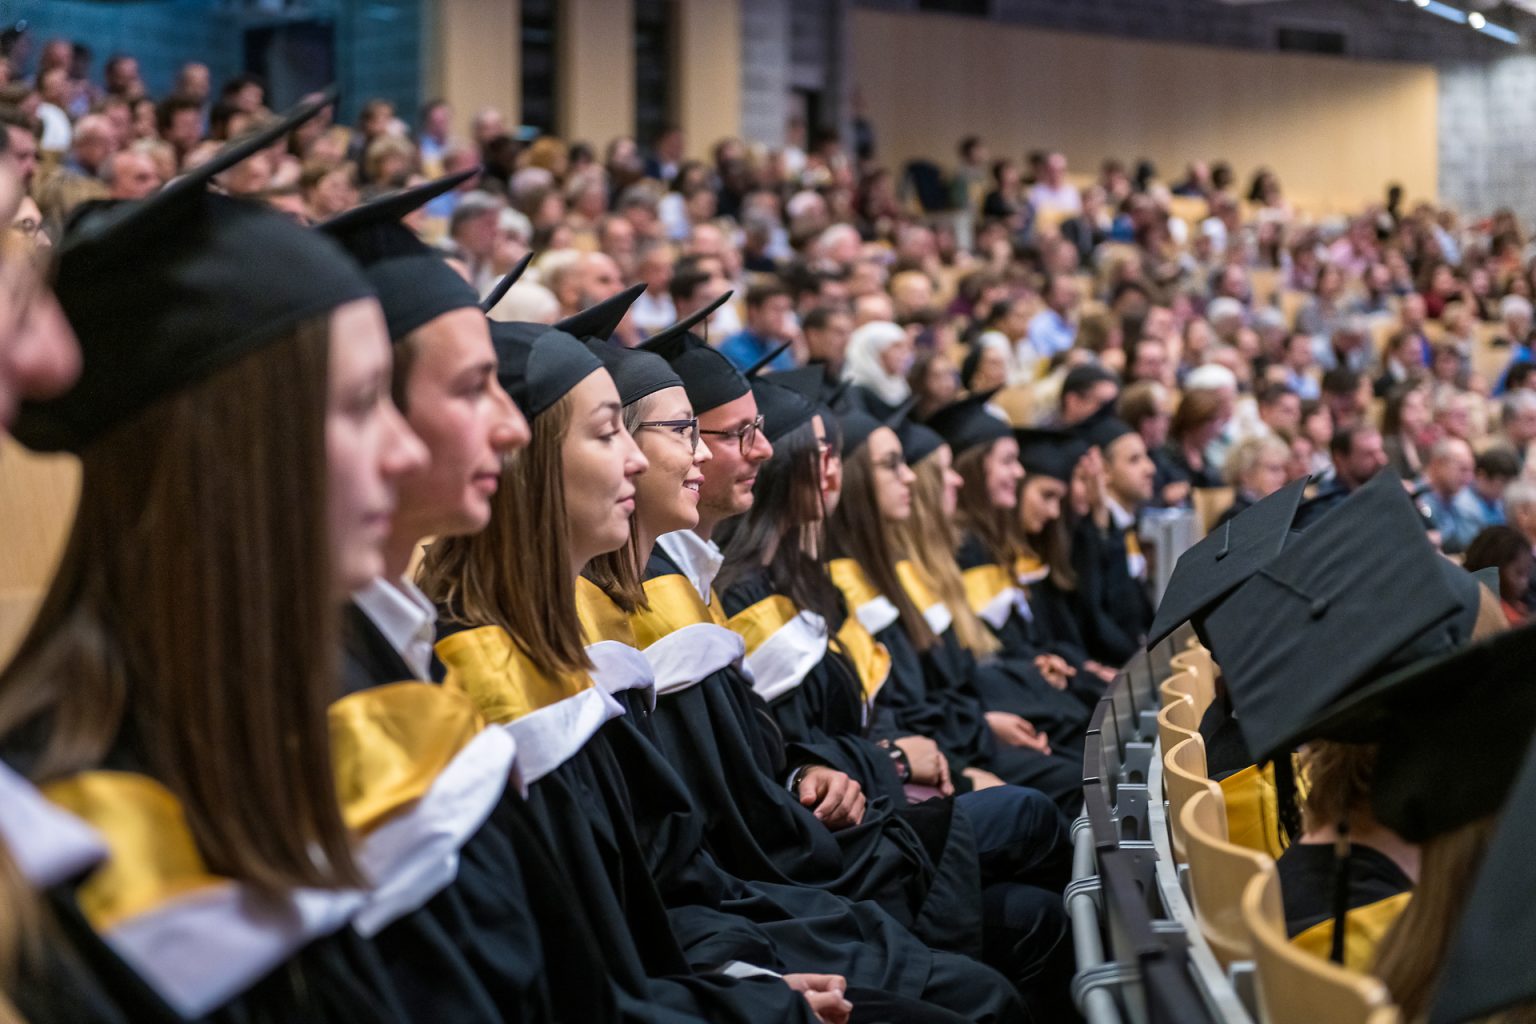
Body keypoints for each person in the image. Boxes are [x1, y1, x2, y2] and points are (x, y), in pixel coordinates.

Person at [0, 99, 427, 1021]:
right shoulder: (86, 844)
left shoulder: (255, 731)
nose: (408, 452)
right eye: (359, 406)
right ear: (230, 455)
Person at [719, 282, 796, 372]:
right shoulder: (733, 347)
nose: (782, 316)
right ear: (754, 311)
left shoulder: (776, 345)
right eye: (776, 309)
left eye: (786, 310)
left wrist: (798, 344)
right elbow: (766, 379)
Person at [1418, 437, 1478, 554]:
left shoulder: (1463, 497)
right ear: (1438, 464)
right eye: (1463, 469)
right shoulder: (1416, 500)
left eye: (1471, 470)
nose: (1469, 478)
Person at [1216, 434, 1290, 526]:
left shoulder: (1281, 509)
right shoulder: (1235, 517)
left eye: (1283, 469)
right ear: (1247, 475)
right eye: (1274, 469)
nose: (1282, 476)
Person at [1463, 525, 1532, 625]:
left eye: (1527, 573)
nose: (1525, 583)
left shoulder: (1519, 606)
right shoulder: (1484, 611)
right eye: (1519, 573)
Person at [841, 320, 913, 410]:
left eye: (907, 347)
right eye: (896, 347)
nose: (905, 355)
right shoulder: (853, 389)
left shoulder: (901, 386)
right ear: (874, 351)